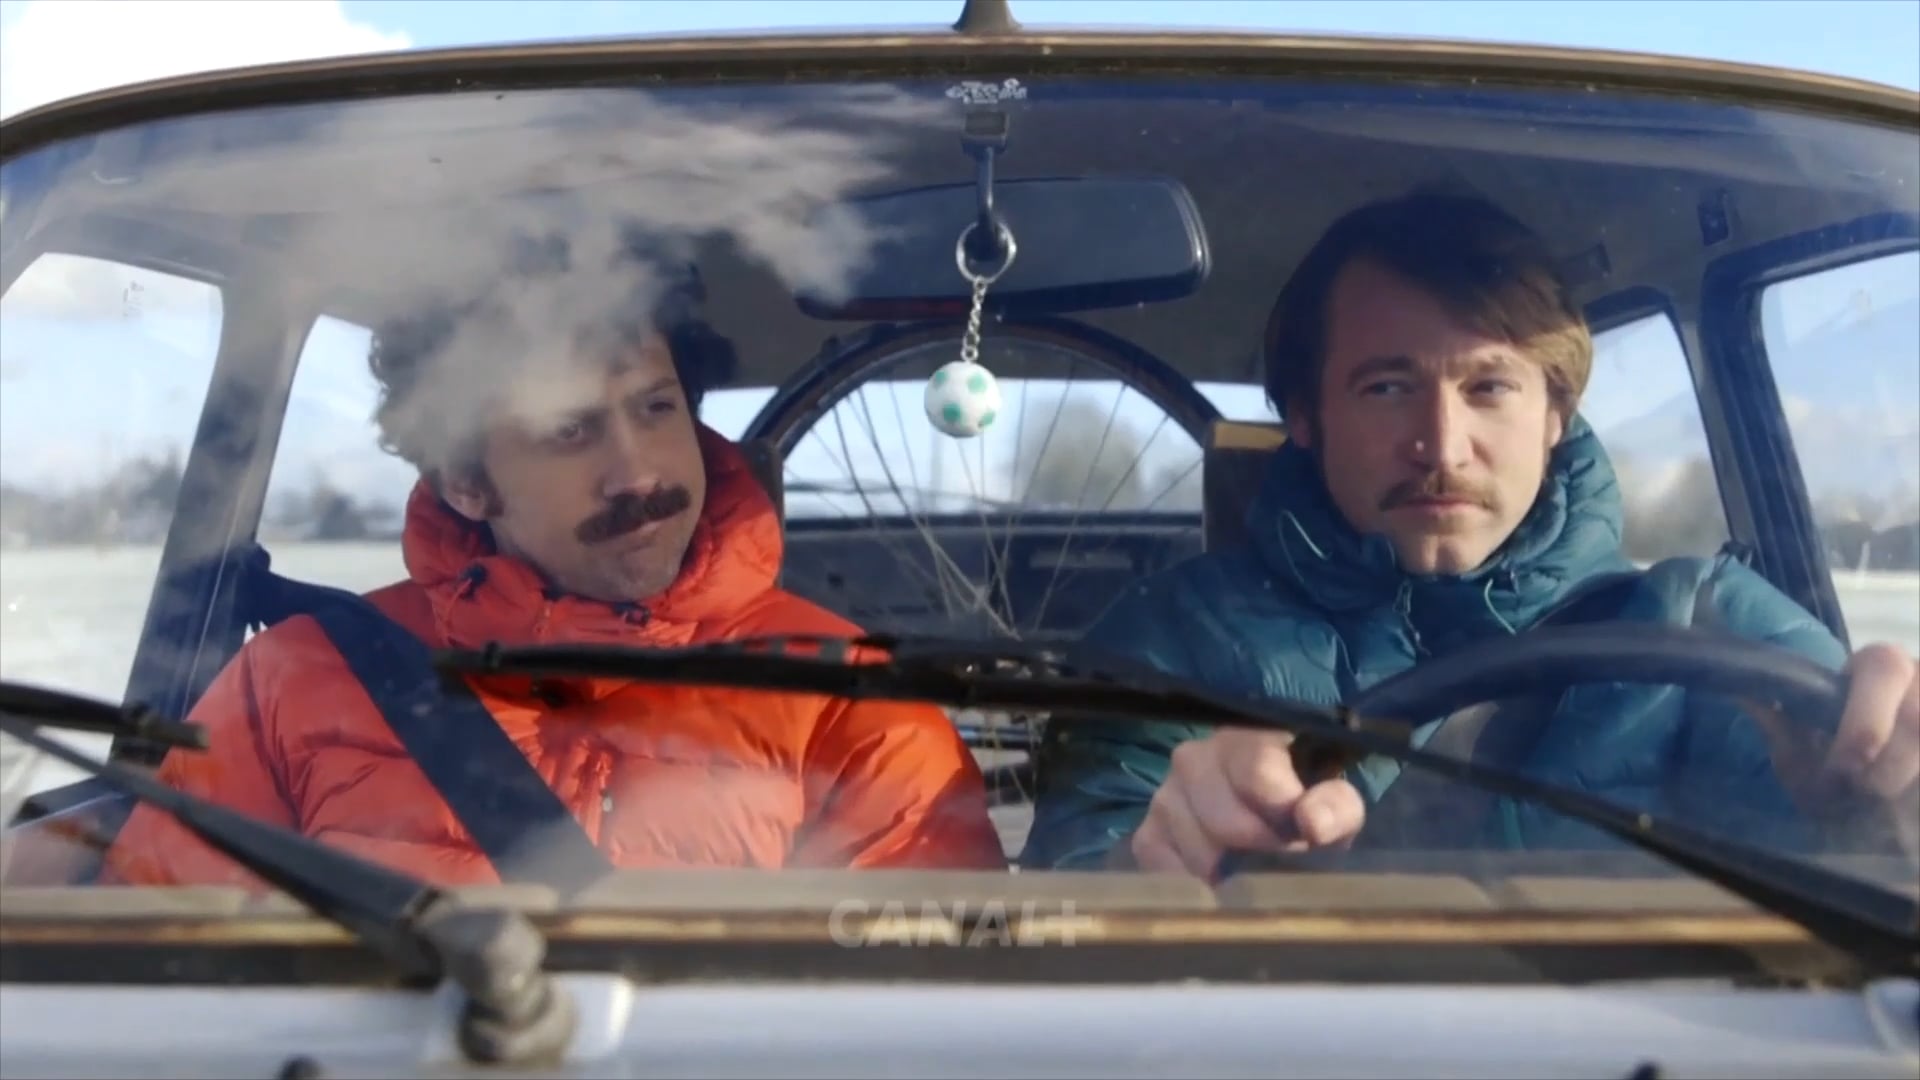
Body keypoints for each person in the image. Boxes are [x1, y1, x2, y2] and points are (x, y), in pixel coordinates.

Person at [1020, 189, 1919, 877]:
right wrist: (1154, 862)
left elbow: (1866, 887)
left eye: (1489, 387)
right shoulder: (1165, 642)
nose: (1442, 446)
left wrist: (1881, 805)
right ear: (1305, 417)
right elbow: (1062, 918)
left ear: (1556, 415)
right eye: (1387, 387)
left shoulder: (1706, 625)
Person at [101, 239, 1006, 889]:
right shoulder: (288, 685)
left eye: (656, 407)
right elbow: (169, 989)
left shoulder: (852, 703)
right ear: (467, 481)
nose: (638, 473)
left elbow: (926, 1025)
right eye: (571, 430)